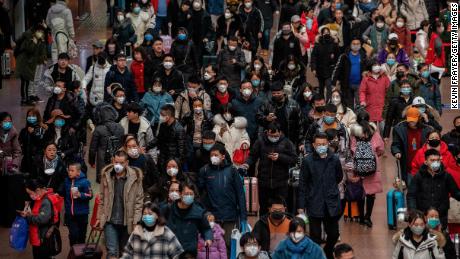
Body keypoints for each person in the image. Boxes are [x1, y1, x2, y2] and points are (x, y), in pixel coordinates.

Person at [298, 132, 343, 259]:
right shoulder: (308, 161)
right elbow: (303, 183)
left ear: (328, 144)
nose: (321, 146)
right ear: (313, 145)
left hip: (331, 202)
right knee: (315, 236)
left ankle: (328, 251)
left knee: (334, 234)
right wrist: (301, 206)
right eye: (318, 144)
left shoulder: (334, 159)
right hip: (314, 202)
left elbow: (339, 177)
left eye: (324, 144)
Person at [95, 150, 144, 259]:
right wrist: (99, 217)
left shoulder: (135, 177)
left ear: (127, 163)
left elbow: (139, 201)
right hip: (110, 221)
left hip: (127, 222)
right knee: (112, 252)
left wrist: (136, 221)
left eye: (121, 163)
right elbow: (102, 198)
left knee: (125, 253)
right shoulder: (106, 175)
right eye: (116, 162)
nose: (118, 165)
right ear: (113, 160)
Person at [197, 143, 247, 250]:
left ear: (223, 156)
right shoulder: (204, 171)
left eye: (215, 155)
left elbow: (240, 194)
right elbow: (200, 192)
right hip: (212, 216)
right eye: (211, 155)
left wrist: (243, 217)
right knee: (214, 246)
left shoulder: (232, 170)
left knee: (229, 245)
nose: (213, 158)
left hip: (230, 216)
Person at [243, 123, 297, 214]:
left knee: (280, 209)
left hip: (281, 183)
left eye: (275, 136)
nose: (273, 137)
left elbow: (294, 159)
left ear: (280, 133)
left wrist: (280, 157)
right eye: (271, 135)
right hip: (264, 182)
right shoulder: (260, 141)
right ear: (266, 132)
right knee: (264, 209)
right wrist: (247, 164)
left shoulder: (287, 142)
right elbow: (252, 156)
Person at [408, 149, 460, 229]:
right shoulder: (418, 177)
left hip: (441, 216)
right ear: (426, 162)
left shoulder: (446, 176)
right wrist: (413, 212)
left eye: (438, 160)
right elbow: (411, 195)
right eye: (432, 160)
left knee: (440, 238)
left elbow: (456, 193)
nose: (435, 163)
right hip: (423, 215)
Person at [349, 110, 385, 227]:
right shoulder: (373, 132)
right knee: (371, 193)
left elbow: (352, 147)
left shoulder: (354, 132)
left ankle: (360, 216)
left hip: (358, 165)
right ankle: (368, 217)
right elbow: (380, 148)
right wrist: (374, 155)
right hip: (372, 166)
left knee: (360, 191)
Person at [164, 181, 213, 257]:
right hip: (171, 250)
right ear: (180, 194)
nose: (189, 196)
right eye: (186, 194)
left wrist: (208, 238)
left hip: (189, 252)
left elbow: (206, 229)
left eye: (191, 194)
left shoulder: (198, 212)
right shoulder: (168, 209)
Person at [391, 107, 432, 184]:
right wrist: (396, 151)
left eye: (414, 120)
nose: (411, 122)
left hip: (423, 165)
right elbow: (395, 144)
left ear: (419, 118)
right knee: (411, 189)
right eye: (409, 120)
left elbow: (436, 135)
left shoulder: (427, 130)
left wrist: (427, 121)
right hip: (407, 166)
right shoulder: (399, 129)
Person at [256, 81, 303, 146]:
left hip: (289, 140)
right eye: (274, 93)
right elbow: (258, 117)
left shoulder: (294, 104)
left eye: (278, 93)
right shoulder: (267, 104)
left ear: (283, 92)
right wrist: (266, 119)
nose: (276, 95)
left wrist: (300, 141)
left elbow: (300, 124)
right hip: (272, 140)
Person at [88, 103, 125, 183]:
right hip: (117, 159)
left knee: (103, 181)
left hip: (102, 160)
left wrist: (91, 161)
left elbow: (92, 149)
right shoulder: (120, 128)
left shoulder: (98, 129)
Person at [20, 179, 56, 259]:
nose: (30, 196)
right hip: (38, 237)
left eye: (30, 193)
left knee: (41, 255)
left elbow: (42, 219)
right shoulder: (39, 198)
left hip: (42, 238)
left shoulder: (45, 201)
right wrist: (30, 213)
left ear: (38, 190)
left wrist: (28, 217)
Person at [331, 37, 369, 108]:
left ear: (360, 45)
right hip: (347, 85)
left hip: (360, 85)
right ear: (350, 45)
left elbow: (369, 66)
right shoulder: (344, 56)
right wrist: (334, 82)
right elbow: (337, 69)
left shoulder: (363, 56)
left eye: (357, 44)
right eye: (354, 44)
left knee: (360, 105)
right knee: (348, 105)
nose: (356, 45)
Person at [15, 23, 47, 106]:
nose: (41, 33)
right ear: (35, 31)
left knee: (31, 80)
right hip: (25, 63)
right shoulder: (28, 37)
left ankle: (30, 97)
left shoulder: (39, 38)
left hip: (33, 62)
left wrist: (43, 58)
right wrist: (35, 42)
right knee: (26, 81)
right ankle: (25, 99)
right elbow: (30, 50)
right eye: (39, 31)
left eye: (42, 31)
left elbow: (41, 50)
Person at [64, 162, 92, 246]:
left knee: (81, 236)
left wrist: (81, 195)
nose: (70, 172)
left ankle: (81, 253)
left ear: (78, 172)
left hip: (82, 214)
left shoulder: (85, 182)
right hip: (70, 214)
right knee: (73, 235)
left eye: (72, 171)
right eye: (69, 170)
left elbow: (90, 195)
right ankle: (73, 252)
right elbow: (63, 193)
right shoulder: (66, 181)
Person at [311, 27, 339, 99]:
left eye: (327, 32)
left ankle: (329, 101)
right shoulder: (317, 44)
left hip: (330, 70)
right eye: (324, 32)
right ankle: (321, 101)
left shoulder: (333, 44)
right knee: (321, 87)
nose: (326, 34)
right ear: (321, 34)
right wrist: (313, 68)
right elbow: (313, 57)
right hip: (320, 70)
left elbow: (337, 56)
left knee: (329, 86)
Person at [155, 104, 186, 168]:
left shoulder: (179, 129)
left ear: (169, 116)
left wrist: (177, 162)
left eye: (162, 115)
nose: (160, 117)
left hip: (173, 159)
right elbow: (158, 139)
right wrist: (147, 147)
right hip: (163, 156)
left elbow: (181, 149)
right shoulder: (162, 125)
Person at [19, 108, 47, 175]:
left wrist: (33, 133)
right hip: (26, 159)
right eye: (29, 116)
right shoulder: (24, 130)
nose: (31, 118)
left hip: (36, 159)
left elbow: (41, 143)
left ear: (37, 117)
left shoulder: (42, 129)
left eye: (33, 116)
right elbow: (20, 142)